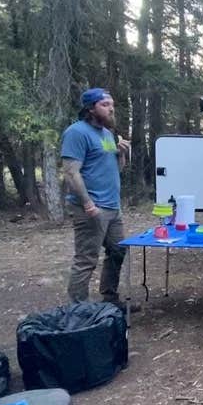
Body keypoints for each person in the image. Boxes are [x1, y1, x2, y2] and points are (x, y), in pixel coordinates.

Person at [61, 87, 135, 308]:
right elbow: (71, 172)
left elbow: (115, 169)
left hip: (112, 206)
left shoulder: (107, 135)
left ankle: (110, 299)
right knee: (86, 258)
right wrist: (87, 203)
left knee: (118, 250)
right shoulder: (76, 132)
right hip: (91, 207)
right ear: (90, 108)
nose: (111, 109)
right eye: (105, 104)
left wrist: (121, 153)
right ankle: (78, 309)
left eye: (112, 104)